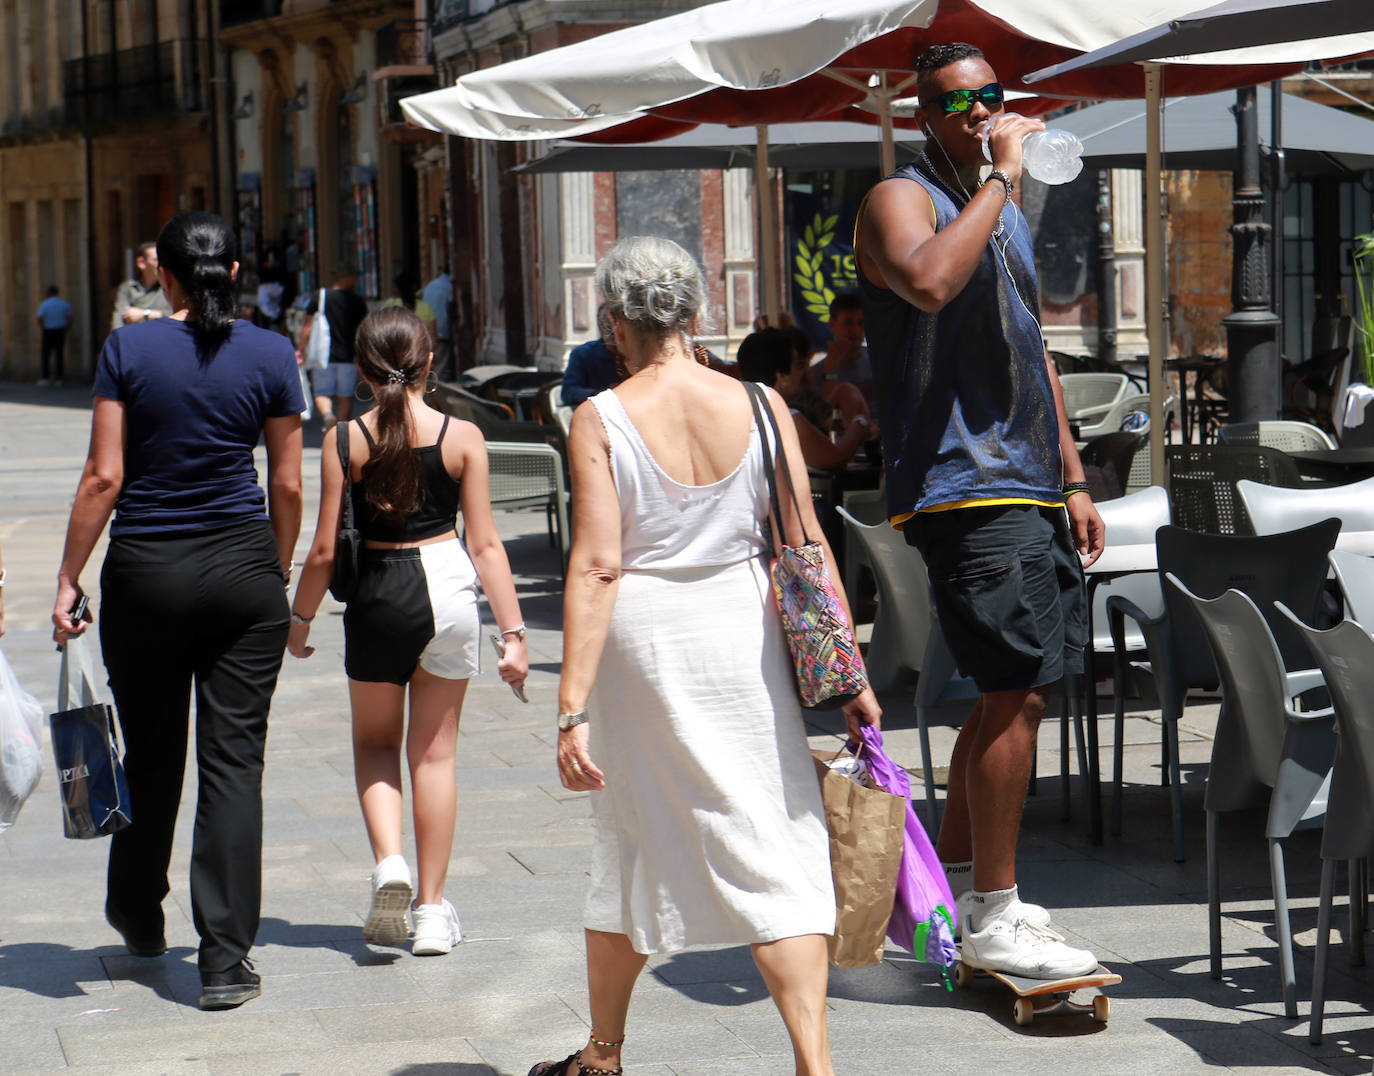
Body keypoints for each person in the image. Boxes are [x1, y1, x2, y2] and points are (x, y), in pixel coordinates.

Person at [534, 236, 881, 1076]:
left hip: (643, 646)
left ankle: (606, 1053)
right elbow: (806, 544)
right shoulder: (761, 404)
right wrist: (852, 678)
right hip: (744, 635)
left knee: (629, 838)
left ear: (614, 323)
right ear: (695, 313)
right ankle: (814, 1061)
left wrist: (570, 701)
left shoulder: (602, 415)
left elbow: (597, 563)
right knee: (773, 839)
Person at [855, 42, 1105, 980]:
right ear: (924, 116)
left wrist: (1073, 475)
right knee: (1019, 692)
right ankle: (998, 913)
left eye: (992, 97)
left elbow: (1031, 345)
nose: (979, 111)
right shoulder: (901, 198)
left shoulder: (998, 211)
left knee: (1015, 691)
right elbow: (927, 280)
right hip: (964, 480)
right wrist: (1002, 176)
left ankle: (963, 887)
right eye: (957, 102)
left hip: (1028, 479)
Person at [51, 211, 304, 1011]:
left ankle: (136, 912)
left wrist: (68, 577)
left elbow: (103, 476)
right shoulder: (270, 352)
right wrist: (279, 562)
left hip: (146, 575)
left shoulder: (128, 349)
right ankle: (225, 960)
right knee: (234, 765)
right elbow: (290, 483)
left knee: (152, 753)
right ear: (235, 273)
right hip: (242, 572)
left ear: (159, 271)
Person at [287, 306, 529, 957]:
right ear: (429, 363)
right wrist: (513, 631)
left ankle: (389, 862)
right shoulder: (464, 436)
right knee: (436, 755)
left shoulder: (344, 441)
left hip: (377, 596)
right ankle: (431, 910)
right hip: (448, 591)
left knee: (374, 744)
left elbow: (319, 552)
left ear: (363, 371)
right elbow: (487, 544)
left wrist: (300, 618)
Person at [737, 327, 876, 472]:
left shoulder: (736, 413)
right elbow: (835, 459)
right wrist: (860, 423)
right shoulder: (786, 419)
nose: (803, 373)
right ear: (781, 377)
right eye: (798, 366)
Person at [299, 264, 369, 430]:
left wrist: (301, 349)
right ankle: (341, 429)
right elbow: (364, 328)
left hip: (322, 356)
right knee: (345, 395)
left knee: (322, 393)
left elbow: (307, 326)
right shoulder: (357, 301)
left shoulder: (320, 296)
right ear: (348, 278)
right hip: (348, 355)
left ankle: (328, 416)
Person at [808, 293, 875, 412]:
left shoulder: (877, 361)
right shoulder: (814, 373)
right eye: (848, 323)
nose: (855, 330)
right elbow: (823, 417)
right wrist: (830, 370)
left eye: (861, 323)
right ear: (832, 324)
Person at [561, 304, 622, 408]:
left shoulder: (636, 354)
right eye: (610, 333)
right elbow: (568, 392)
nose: (616, 340)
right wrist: (599, 393)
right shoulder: (583, 354)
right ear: (601, 331)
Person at [110, 241, 173, 332]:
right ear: (141, 263)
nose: (161, 264)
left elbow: (178, 316)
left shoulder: (170, 286)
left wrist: (144, 314)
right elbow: (118, 321)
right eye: (156, 260)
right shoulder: (128, 288)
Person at [380, 268, 438, 349]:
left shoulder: (390, 304)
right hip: (420, 351)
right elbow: (433, 332)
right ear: (414, 287)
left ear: (398, 288)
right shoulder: (425, 306)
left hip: (398, 350)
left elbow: (382, 329)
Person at [36, 285, 73, 386]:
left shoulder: (45, 304)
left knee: (46, 355)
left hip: (48, 330)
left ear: (49, 293)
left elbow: (40, 318)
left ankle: (45, 378)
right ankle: (59, 378)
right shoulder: (64, 304)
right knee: (59, 354)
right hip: (60, 330)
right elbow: (69, 318)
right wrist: (66, 328)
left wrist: (43, 327)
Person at [420, 267, 454, 380]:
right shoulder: (449, 286)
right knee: (441, 367)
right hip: (443, 331)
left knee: (430, 365)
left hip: (427, 332)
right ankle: (436, 393)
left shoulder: (430, 286)